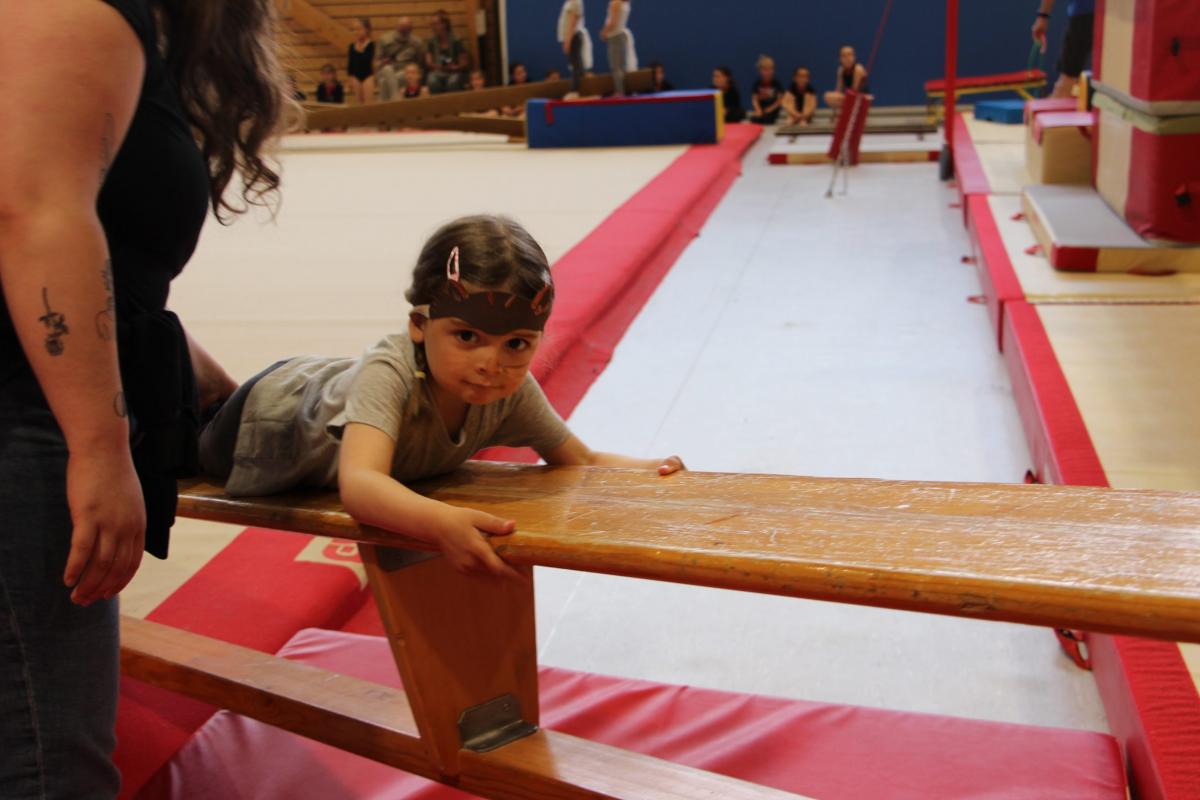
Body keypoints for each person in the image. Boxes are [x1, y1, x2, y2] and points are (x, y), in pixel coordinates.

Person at [0, 1, 284, 796]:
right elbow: (34, 213)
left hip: (37, 396)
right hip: (27, 411)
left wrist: (209, 385)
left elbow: (113, 271)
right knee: (44, 759)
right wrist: (98, 446)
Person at [197, 215, 684, 579]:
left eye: (516, 344)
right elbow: (361, 484)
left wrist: (651, 472)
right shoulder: (390, 373)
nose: (492, 363)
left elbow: (581, 459)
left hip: (320, 397)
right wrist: (440, 522)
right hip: (262, 421)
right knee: (181, 438)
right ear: (418, 325)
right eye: (467, 337)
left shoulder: (509, 390)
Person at [1032, 0, 1094, 98]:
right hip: (1093, 14)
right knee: (1070, 79)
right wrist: (1042, 16)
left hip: (1085, 15)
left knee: (1068, 79)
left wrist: (1042, 16)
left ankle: (1057, 99)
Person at [376, 17, 424, 101]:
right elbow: (377, 61)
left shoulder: (416, 42)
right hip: (386, 69)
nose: (403, 31)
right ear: (397, 27)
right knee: (387, 69)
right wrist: (382, 62)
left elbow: (420, 62)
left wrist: (413, 70)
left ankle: (383, 104)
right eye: (401, 28)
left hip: (405, 71)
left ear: (410, 30)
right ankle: (395, 97)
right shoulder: (384, 39)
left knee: (385, 82)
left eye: (406, 29)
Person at [426, 10, 470, 93]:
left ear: (444, 24)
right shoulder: (431, 41)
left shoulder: (456, 40)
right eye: (432, 24)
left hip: (454, 72)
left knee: (452, 82)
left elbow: (464, 62)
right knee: (432, 80)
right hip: (438, 71)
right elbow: (428, 62)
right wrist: (439, 67)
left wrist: (455, 67)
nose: (433, 27)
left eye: (435, 24)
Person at [600, 0, 637, 97]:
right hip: (621, 35)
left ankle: (619, 91)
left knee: (616, 66)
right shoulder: (626, 3)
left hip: (615, 36)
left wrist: (604, 32)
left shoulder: (616, 3)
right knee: (622, 66)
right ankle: (625, 90)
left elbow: (612, 22)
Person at [557, 0, 592, 94]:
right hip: (573, 36)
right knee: (577, 64)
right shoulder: (570, 2)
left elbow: (573, 22)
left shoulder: (575, 2)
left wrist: (568, 40)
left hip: (574, 36)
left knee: (575, 65)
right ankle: (581, 88)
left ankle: (574, 90)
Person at [824, 45, 869, 112]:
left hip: (860, 99)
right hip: (849, 98)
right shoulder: (840, 70)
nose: (847, 58)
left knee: (840, 98)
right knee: (828, 96)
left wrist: (841, 98)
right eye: (844, 56)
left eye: (850, 55)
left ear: (854, 57)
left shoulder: (858, 69)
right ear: (840, 59)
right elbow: (838, 90)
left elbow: (854, 92)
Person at [347, 17, 377, 105]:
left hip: (368, 76)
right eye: (354, 29)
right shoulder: (352, 46)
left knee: (368, 104)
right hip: (356, 76)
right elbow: (350, 64)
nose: (356, 32)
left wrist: (375, 77)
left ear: (366, 30)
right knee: (358, 104)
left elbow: (370, 60)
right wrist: (350, 78)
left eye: (359, 29)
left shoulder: (371, 45)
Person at [749, 55, 784, 124]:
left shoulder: (776, 84)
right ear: (760, 71)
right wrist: (758, 109)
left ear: (773, 70)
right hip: (761, 108)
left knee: (767, 119)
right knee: (754, 119)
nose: (767, 72)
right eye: (765, 69)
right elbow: (754, 99)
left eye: (770, 69)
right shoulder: (757, 84)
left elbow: (780, 100)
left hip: (772, 109)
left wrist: (771, 109)